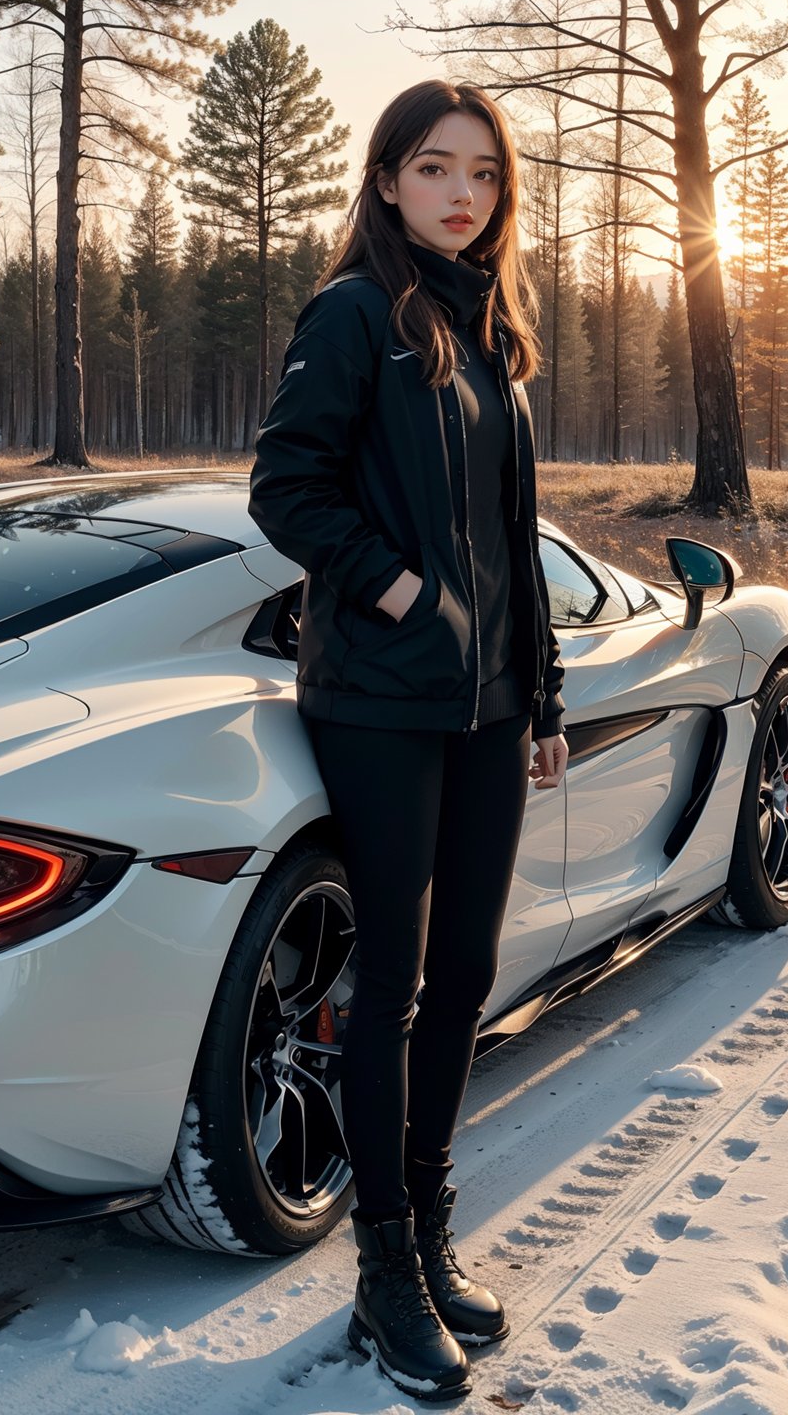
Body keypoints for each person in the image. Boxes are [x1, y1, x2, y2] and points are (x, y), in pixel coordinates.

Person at [247, 79, 568, 1403]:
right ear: (386, 180)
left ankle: (429, 1239)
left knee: (467, 974)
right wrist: (388, 586)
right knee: (390, 983)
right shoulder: (354, 313)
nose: (460, 193)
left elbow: (510, 538)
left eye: (483, 175)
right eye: (435, 168)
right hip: (379, 697)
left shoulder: (487, 329)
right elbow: (283, 486)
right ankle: (383, 1271)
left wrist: (539, 693)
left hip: (487, 706)